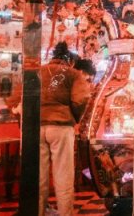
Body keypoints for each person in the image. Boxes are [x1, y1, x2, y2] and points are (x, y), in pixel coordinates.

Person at [39, 42, 90, 216]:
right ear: (69, 60)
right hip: (61, 127)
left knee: (39, 177)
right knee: (63, 176)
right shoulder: (73, 74)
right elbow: (81, 99)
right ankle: (65, 213)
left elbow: (16, 97)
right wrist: (74, 118)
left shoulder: (37, 72)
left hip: (36, 128)